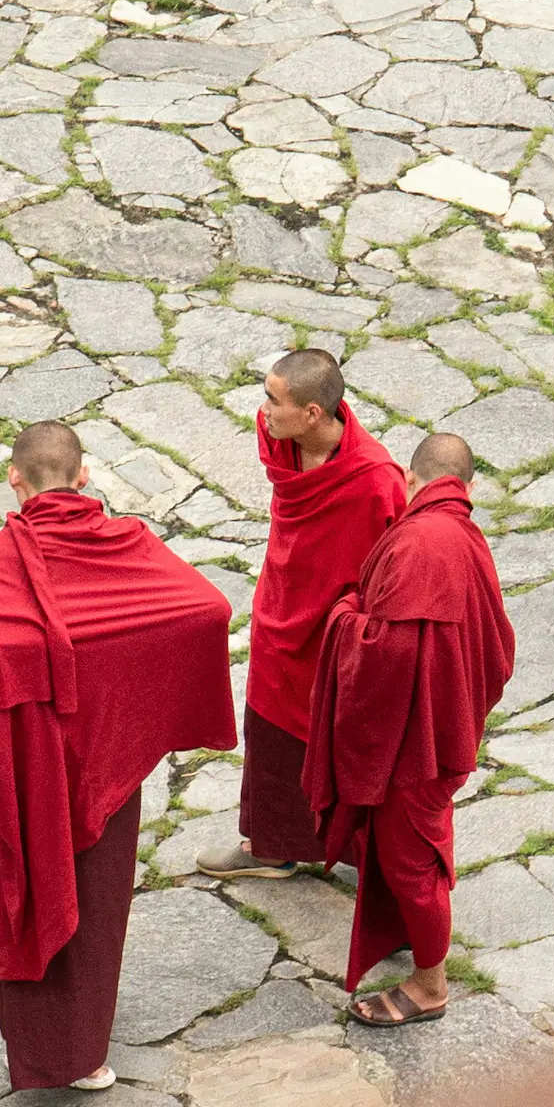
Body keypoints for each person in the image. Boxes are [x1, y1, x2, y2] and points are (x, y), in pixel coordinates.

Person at [0, 422, 235, 1089]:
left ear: (14, 479)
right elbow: (206, 609)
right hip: (111, 757)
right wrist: (127, 696)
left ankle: (51, 1050)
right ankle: (83, 1050)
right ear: (84, 476)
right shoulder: (128, 542)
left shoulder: (4, 555)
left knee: (40, 881)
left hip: (42, 765)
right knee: (99, 897)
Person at [302, 431, 515, 1029]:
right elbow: (497, 643)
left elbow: (387, 655)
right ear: (467, 489)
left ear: (411, 482)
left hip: (416, 746)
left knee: (412, 861)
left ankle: (430, 985)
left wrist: (345, 615)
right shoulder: (465, 535)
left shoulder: (418, 544)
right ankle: (414, 951)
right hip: (442, 726)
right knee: (413, 847)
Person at [199, 348, 405, 882]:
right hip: (281, 603)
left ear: (314, 413)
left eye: (274, 399)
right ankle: (270, 845)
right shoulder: (277, 438)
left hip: (335, 628)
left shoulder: (376, 478)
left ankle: (375, 864)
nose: (263, 409)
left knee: (343, 738)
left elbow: (392, 564)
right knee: (269, 727)